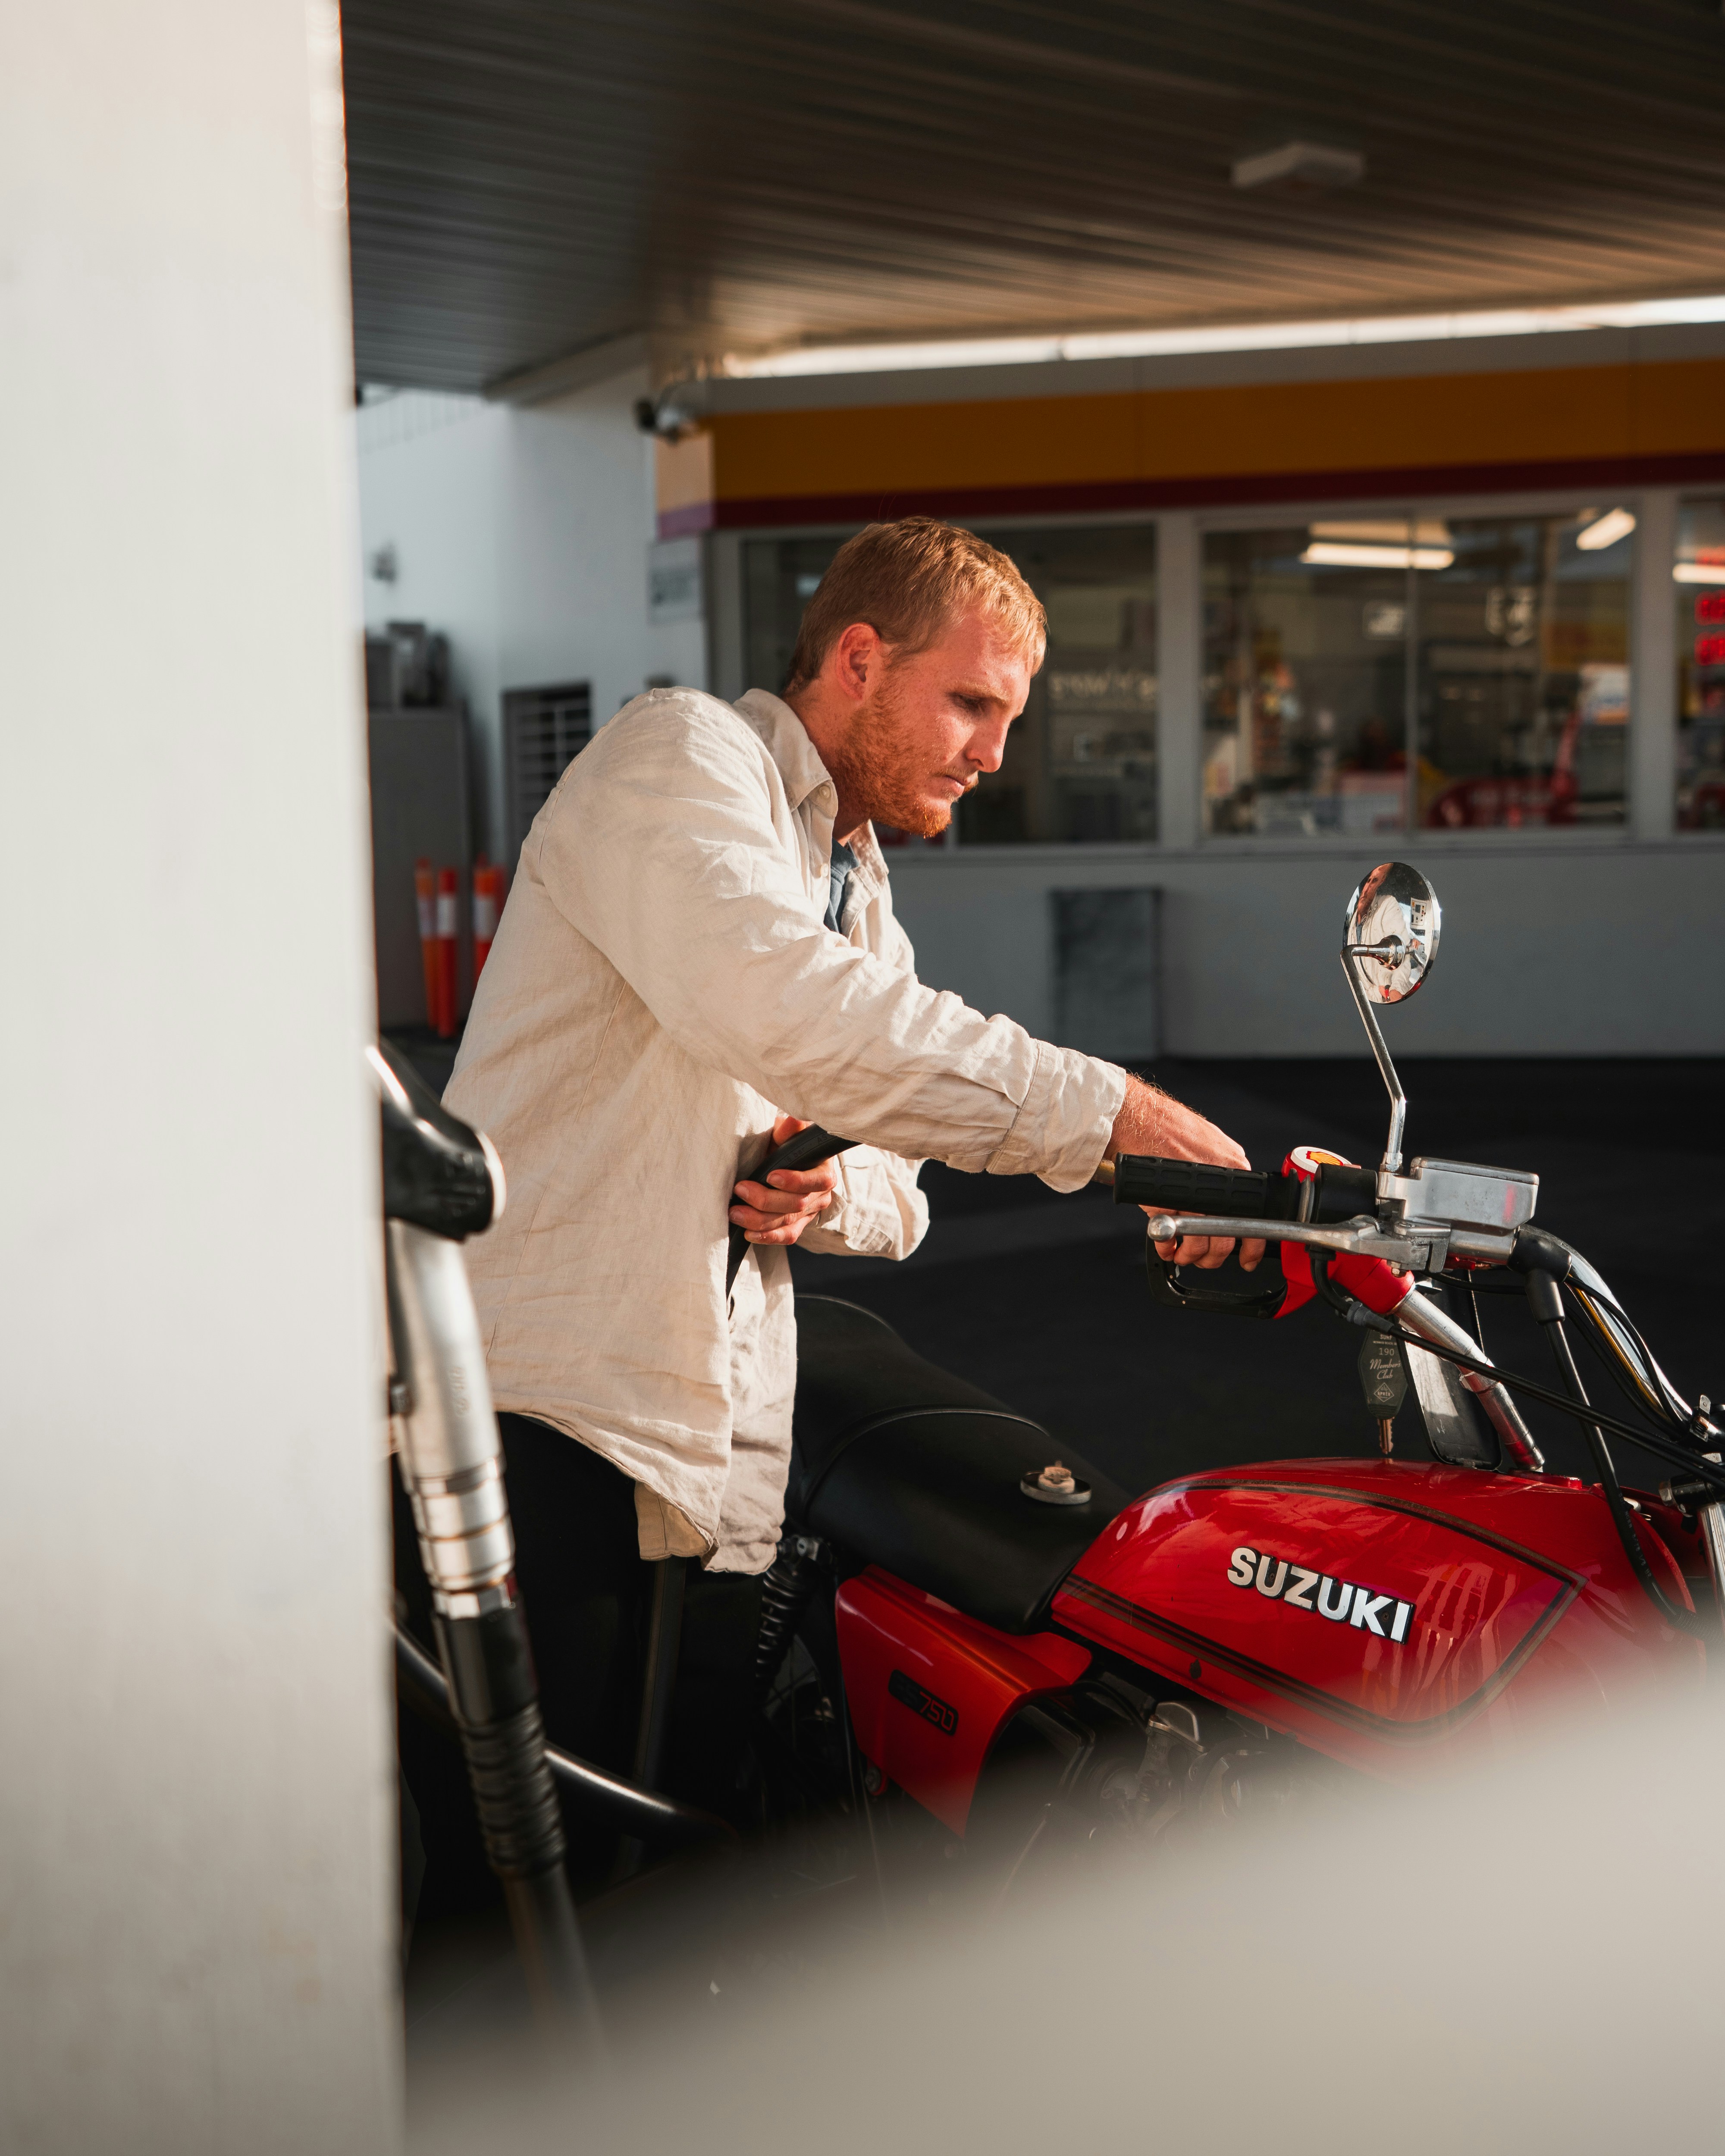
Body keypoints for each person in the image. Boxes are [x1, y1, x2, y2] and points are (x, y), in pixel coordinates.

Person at [433, 517, 1261, 1832]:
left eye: (1009, 717)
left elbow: (899, 1189)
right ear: (861, 660)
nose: (996, 752)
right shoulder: (679, 754)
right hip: (553, 1402)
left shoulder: (851, 877)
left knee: (673, 1840)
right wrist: (1111, 1114)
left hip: (713, 1434)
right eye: (973, 704)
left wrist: (822, 1188)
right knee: (527, 1868)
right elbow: (788, 1009)